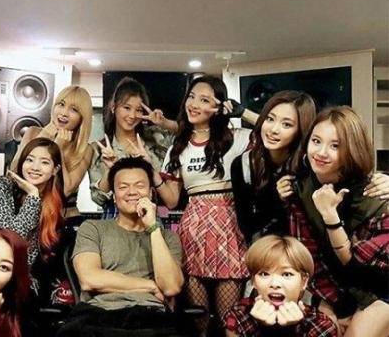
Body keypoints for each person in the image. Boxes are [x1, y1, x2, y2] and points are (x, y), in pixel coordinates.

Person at [277, 106, 389, 336]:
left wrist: (330, 217)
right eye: (316, 141)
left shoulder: (375, 193)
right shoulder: (300, 189)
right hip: (336, 288)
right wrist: (331, 303)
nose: (321, 152)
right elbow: (309, 256)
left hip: (379, 287)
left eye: (335, 146)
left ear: (352, 149)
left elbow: (359, 267)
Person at [156, 75, 251, 335]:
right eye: (192, 97)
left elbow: (276, 132)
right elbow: (172, 200)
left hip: (229, 227)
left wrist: (242, 112)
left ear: (219, 106)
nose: (194, 104)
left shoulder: (237, 138)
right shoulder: (177, 147)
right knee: (198, 318)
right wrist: (153, 175)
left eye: (205, 100)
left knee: (228, 317)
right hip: (193, 229)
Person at [57, 157, 185, 336]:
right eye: (123, 187)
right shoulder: (93, 229)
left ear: (151, 193)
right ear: (114, 197)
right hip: (98, 313)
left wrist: (153, 227)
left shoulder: (167, 238)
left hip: (150, 314)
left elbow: (170, 287)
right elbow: (89, 278)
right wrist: (150, 286)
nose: (131, 192)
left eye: (139, 186)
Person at [0, 137, 74, 308]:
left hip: (16, 279)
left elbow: (32, 255)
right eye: (29, 160)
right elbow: (11, 239)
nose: (35, 167)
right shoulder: (0, 186)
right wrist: (33, 197)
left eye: (44, 162)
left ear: (55, 169)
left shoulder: (52, 202)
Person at [231, 91, 317, 244]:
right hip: (268, 249)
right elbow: (247, 226)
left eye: (286, 124)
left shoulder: (309, 164)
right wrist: (276, 199)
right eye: (270, 119)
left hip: (306, 249)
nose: (273, 130)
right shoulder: (244, 164)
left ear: (300, 130)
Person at [89, 77, 176, 218]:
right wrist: (111, 170)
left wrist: (164, 123)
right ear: (113, 107)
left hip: (150, 216)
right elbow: (98, 198)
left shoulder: (155, 140)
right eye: (127, 108)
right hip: (113, 219)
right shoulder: (99, 148)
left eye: (139, 110)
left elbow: (189, 133)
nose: (132, 115)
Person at [223, 235, 338, 336]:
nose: (275, 284)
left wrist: (289, 330)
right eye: (264, 274)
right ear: (253, 281)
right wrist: (265, 329)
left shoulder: (321, 325)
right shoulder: (239, 317)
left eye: (287, 274)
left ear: (303, 282)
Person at [10, 85, 93, 219]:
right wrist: (44, 136)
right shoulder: (33, 132)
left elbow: (66, 191)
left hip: (64, 218)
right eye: (61, 104)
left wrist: (57, 149)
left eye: (73, 109)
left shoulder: (85, 149)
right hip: (26, 215)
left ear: (81, 118)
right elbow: (13, 175)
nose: (64, 113)